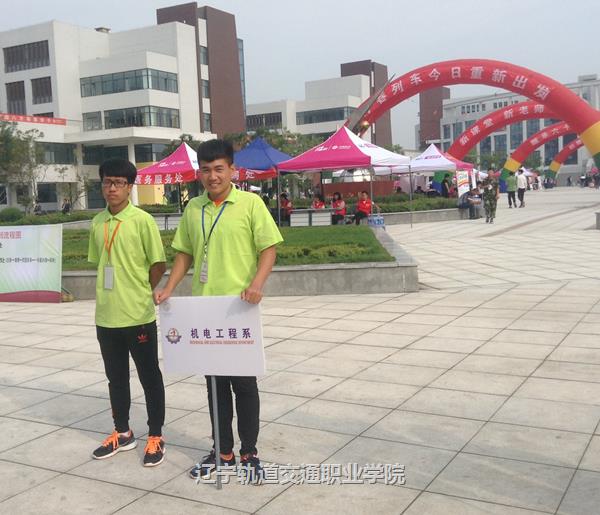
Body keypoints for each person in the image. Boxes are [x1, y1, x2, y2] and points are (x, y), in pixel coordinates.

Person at [154, 139, 283, 484]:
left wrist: (257, 284)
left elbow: (268, 249)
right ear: (199, 173)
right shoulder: (193, 208)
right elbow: (184, 254)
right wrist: (169, 287)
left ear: (232, 170)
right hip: (205, 311)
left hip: (240, 309)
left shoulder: (250, 204)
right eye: (206, 170)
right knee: (214, 387)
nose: (213, 176)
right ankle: (222, 451)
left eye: (219, 169)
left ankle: (249, 453)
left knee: (244, 385)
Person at [87, 158, 167, 467]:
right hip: (106, 316)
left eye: (119, 183)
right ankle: (122, 432)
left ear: (130, 187)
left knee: (149, 377)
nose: (112, 188)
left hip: (138, 316)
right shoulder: (97, 223)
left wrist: (141, 290)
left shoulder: (142, 221)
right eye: (107, 182)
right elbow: (100, 263)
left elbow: (158, 264)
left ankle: (156, 435)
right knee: (116, 378)